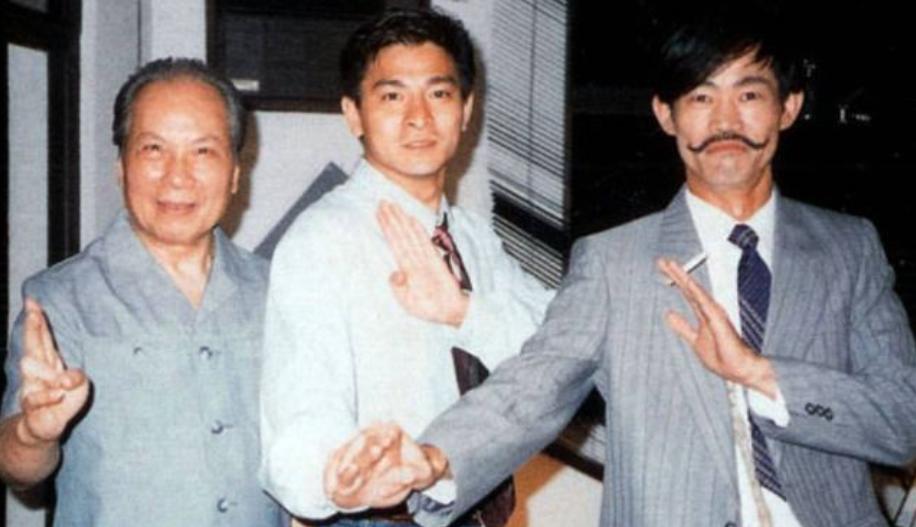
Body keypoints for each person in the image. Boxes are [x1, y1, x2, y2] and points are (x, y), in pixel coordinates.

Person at [329, 9, 916, 527]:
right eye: (700, 98)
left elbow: (902, 419)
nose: (724, 122)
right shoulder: (613, 262)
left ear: (788, 107)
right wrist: (435, 460)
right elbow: (530, 388)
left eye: (749, 95)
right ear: (666, 115)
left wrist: (761, 374)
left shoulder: (850, 250)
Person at [258, 8, 552, 526]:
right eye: (393, 97)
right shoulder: (322, 239)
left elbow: (560, 352)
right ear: (354, 115)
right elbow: (302, 405)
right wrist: (335, 478)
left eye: (438, 94)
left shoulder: (473, 238)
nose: (419, 117)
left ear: (466, 109)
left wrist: (465, 312)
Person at [0, 58, 283, 526]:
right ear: (121, 167)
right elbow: (16, 468)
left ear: (236, 173)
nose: (177, 176)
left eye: (203, 151)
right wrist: (34, 433)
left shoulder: (277, 290)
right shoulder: (61, 299)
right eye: (153, 149)